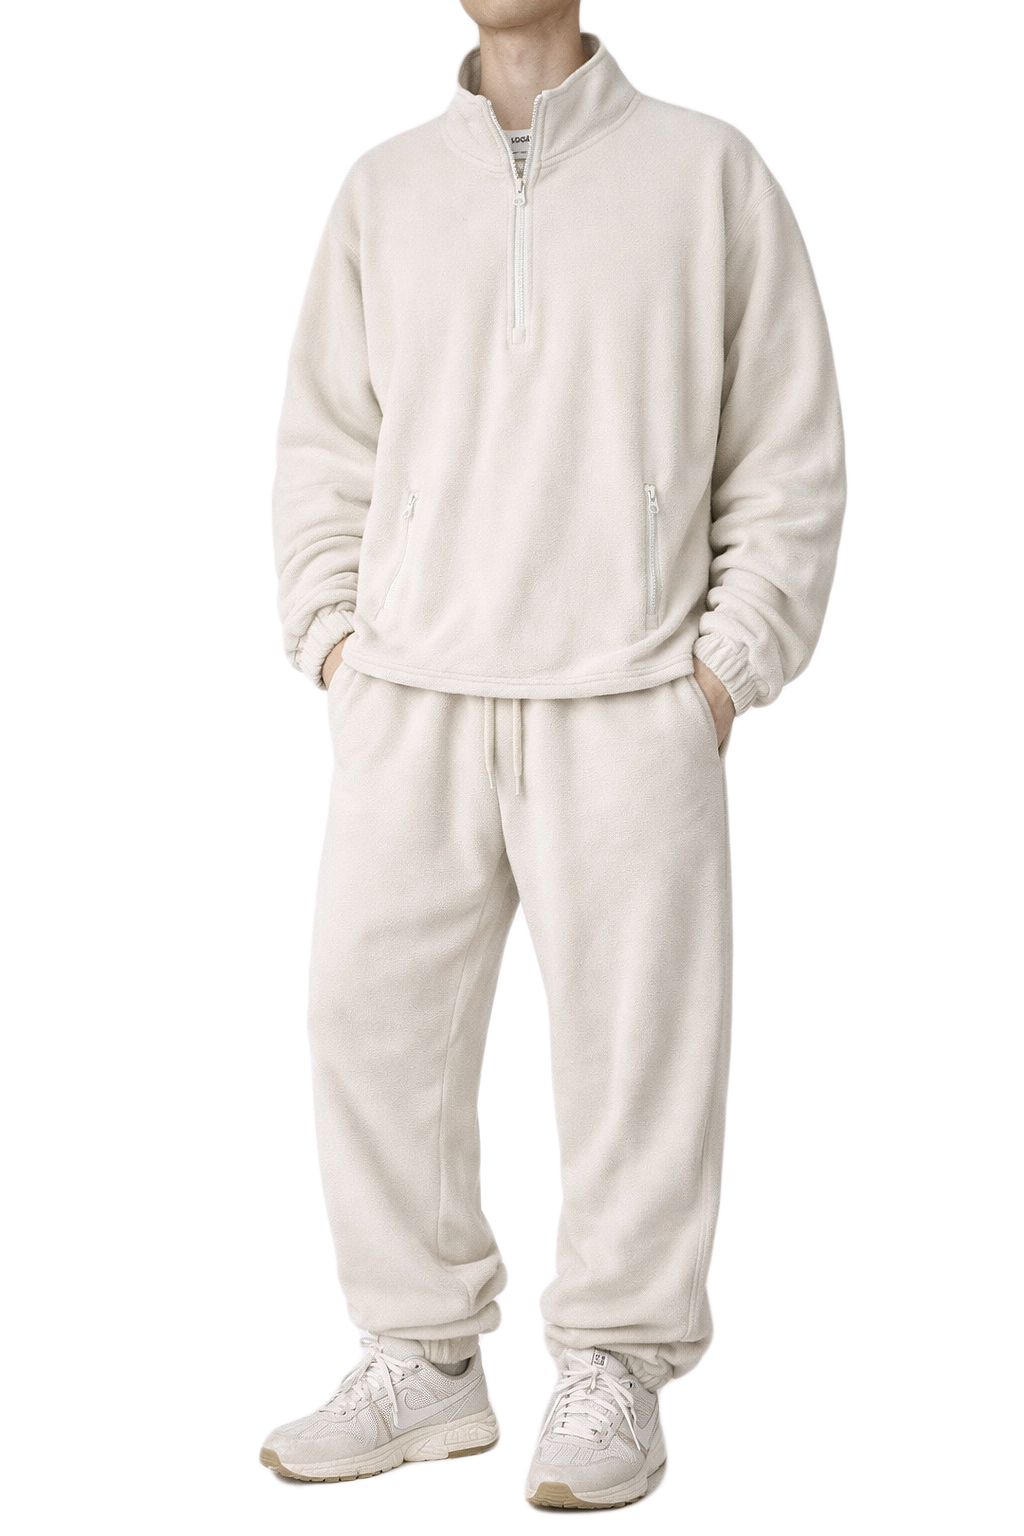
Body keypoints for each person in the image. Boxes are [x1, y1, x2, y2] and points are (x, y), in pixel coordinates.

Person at [261, 0, 845, 1511]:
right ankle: (422, 1359)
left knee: (644, 1050)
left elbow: (787, 449)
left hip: (630, 691)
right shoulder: (385, 190)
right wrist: (334, 641)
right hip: (412, 691)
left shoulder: (709, 174)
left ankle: (617, 1367)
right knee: (365, 1023)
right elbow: (327, 444)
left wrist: (723, 671)